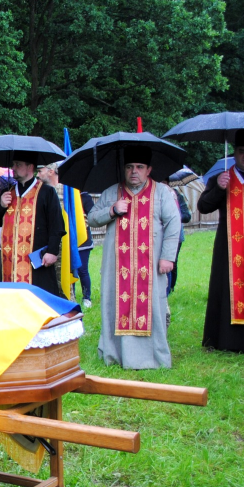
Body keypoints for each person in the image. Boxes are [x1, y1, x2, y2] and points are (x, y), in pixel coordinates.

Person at [87, 147, 181, 369]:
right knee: (114, 305)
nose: (134, 172)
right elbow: (91, 219)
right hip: (116, 267)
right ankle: (115, 353)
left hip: (152, 265)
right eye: (129, 167)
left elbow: (173, 223)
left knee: (153, 308)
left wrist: (168, 257)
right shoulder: (112, 192)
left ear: (149, 170)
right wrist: (111, 210)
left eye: (139, 167)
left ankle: (153, 357)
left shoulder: (161, 193)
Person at [197, 131, 244, 353]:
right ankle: (225, 341)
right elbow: (203, 207)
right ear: (234, 153)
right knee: (226, 290)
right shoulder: (221, 178)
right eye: (241, 152)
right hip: (229, 249)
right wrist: (219, 189)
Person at [0, 153, 66, 296]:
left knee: (39, 299)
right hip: (9, 260)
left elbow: (57, 226)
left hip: (36, 260)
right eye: (13, 164)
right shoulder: (7, 193)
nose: (13, 168)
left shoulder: (46, 192)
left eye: (18, 164)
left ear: (30, 167)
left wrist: (52, 251)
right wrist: (0, 206)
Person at [76, 193, 95, 308]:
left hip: (84, 241)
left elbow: (92, 216)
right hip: (68, 240)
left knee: (82, 270)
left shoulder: (85, 197)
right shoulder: (67, 196)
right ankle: (70, 296)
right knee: (70, 270)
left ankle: (86, 298)